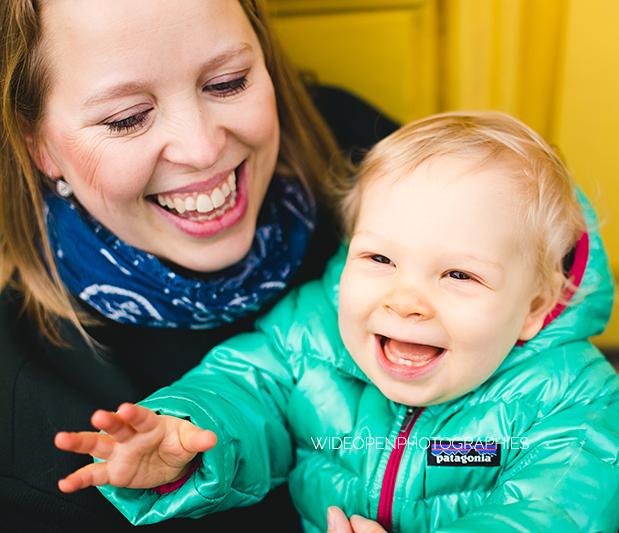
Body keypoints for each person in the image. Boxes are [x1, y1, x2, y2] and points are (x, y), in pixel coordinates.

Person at [55, 111, 619, 533]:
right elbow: (250, 388)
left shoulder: (572, 402)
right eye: (380, 259)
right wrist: (190, 440)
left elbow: (553, 514)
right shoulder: (312, 333)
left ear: (534, 308)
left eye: (459, 275)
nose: (407, 300)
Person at [0, 0, 400, 530]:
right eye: (127, 119)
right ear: (40, 148)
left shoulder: (368, 154)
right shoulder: (31, 414)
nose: (201, 148)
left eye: (229, 82)